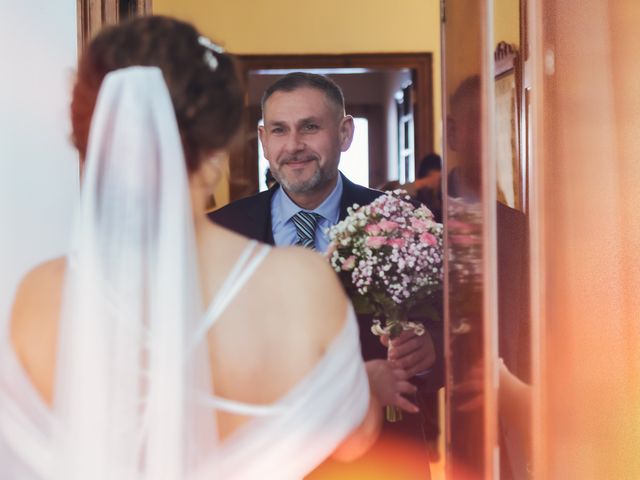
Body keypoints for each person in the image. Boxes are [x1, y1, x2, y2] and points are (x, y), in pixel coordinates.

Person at [0, 17, 395, 480]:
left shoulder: (40, 297)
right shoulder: (301, 283)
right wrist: (365, 386)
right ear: (219, 150)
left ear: (95, 137)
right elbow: (351, 442)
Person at [210, 72, 444, 474]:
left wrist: (431, 352)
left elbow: (462, 334)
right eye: (280, 130)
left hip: (383, 458)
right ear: (264, 140)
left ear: (345, 133)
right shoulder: (220, 231)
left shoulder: (403, 220)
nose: (294, 145)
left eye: (310, 127)